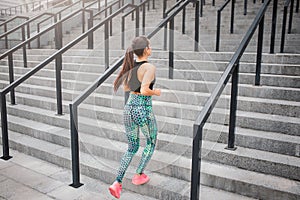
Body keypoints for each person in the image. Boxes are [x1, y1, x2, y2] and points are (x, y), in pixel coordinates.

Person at [109, 36, 161, 199]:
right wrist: (156, 92)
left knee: (132, 147)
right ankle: (139, 174)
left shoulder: (131, 65)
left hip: (129, 108)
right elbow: (145, 90)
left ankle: (117, 182)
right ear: (146, 49)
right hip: (142, 108)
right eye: (150, 46)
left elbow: (126, 87)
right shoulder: (149, 67)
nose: (151, 48)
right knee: (151, 142)